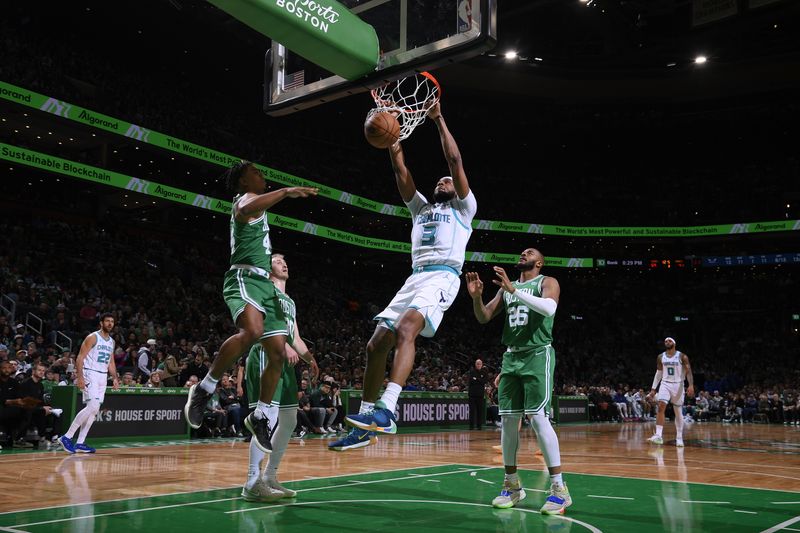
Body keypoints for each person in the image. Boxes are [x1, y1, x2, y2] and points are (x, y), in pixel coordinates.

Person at [334, 101, 477, 451]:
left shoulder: (463, 209)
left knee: (407, 329)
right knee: (376, 343)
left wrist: (438, 118)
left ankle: (388, 408)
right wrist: (393, 137)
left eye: (447, 181)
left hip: (443, 276)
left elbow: (455, 161)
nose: (443, 181)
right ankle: (366, 421)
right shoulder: (422, 209)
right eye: (440, 180)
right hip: (414, 278)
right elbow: (400, 171)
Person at [184, 160, 317, 453]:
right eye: (255, 172)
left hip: (263, 284)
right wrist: (286, 191)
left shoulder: (259, 205)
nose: (262, 175)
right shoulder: (245, 201)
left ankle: (258, 416)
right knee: (252, 331)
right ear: (243, 182)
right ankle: (205, 388)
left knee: (278, 353)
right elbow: (245, 211)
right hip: (243, 276)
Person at [466, 248, 572, 514]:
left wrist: (514, 290)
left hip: (538, 354)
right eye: (522, 251)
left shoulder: (547, 282)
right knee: (509, 422)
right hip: (511, 356)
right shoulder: (506, 288)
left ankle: (559, 489)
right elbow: (483, 317)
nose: (523, 253)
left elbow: (548, 309)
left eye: (530, 252)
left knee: (537, 417)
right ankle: (512, 486)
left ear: (539, 261)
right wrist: (477, 298)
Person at [242, 254, 319, 502]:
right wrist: (280, 345)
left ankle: (269, 476)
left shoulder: (290, 302)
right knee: (266, 419)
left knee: (288, 420)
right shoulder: (263, 289)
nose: (284, 263)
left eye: (285, 260)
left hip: (284, 360)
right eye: (277, 260)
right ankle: (251, 481)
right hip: (266, 353)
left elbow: (294, 337)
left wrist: (310, 359)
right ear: (268, 268)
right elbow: (258, 324)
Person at [59, 313, 120, 454]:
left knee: (94, 410)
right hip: (89, 372)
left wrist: (115, 378)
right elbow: (80, 358)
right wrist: (80, 377)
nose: (110, 324)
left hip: (102, 376)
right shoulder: (93, 337)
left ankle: (80, 442)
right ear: (101, 323)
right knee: (92, 406)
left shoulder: (111, 341)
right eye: (107, 321)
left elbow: (111, 362)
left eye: (112, 321)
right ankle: (66, 437)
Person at [647, 337, 695, 447]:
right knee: (661, 406)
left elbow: (689, 372)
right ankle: (658, 435)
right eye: (665, 341)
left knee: (678, 411)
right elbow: (658, 373)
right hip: (665, 384)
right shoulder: (660, 357)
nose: (667, 342)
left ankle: (679, 437)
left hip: (679, 385)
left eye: (669, 341)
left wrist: (691, 385)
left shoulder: (682, 356)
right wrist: (653, 389)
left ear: (674, 343)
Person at [466, 359, 488, 430]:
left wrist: (477, 379)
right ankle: (471, 426)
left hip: (480, 395)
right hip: (472, 395)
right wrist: (479, 380)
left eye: (480, 364)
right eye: (477, 364)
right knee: (472, 411)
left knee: (479, 411)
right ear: (475, 364)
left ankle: (479, 426)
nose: (479, 365)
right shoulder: (471, 372)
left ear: (482, 365)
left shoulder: (484, 372)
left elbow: (484, 381)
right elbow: (471, 381)